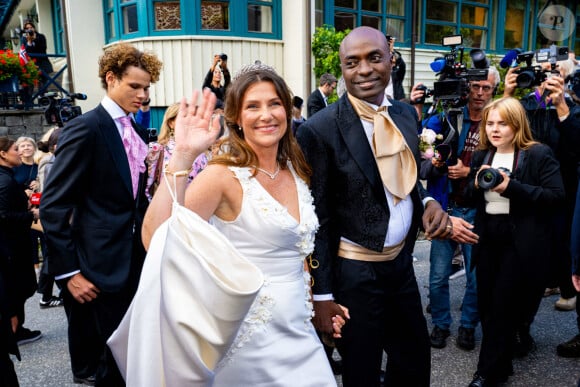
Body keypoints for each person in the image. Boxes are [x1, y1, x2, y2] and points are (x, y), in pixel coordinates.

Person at [110, 64, 346, 385]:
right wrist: (183, 154)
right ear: (235, 116)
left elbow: (297, 249)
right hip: (250, 345)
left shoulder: (296, 168)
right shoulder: (223, 176)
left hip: (300, 331)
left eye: (274, 103)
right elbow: (156, 237)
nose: (266, 114)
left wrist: (318, 299)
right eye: (253, 106)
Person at [296, 26, 467, 387]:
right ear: (341, 69)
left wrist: (430, 202)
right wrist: (322, 295)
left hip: (401, 267)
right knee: (362, 369)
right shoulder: (319, 129)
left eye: (374, 58)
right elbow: (319, 220)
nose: (365, 70)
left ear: (391, 59)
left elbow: (403, 183)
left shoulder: (406, 115)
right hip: (355, 275)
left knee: (414, 362)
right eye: (352, 62)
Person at [40, 42, 162, 386]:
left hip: (136, 264)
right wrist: (69, 273)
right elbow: (53, 207)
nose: (143, 94)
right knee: (108, 367)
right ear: (111, 79)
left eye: (147, 88)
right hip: (97, 270)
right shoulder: (86, 128)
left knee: (134, 361)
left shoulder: (136, 131)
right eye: (135, 86)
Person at [465, 97, 565, 387]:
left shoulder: (538, 154)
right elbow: (475, 199)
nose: (495, 129)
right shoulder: (484, 155)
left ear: (517, 124)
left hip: (518, 241)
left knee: (501, 307)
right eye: (490, 123)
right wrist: (473, 185)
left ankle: (484, 374)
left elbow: (556, 197)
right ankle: (502, 362)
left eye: (502, 123)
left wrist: (511, 186)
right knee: (486, 306)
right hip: (487, 238)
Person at [414, 67, 500, 351]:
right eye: (474, 86)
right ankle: (440, 324)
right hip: (445, 209)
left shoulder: (495, 122)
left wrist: (468, 171)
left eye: (486, 88)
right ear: (465, 87)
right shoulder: (447, 117)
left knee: (475, 277)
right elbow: (423, 153)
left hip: (477, 209)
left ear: (493, 90)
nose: (479, 93)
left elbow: (504, 164)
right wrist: (436, 159)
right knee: (438, 275)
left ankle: (467, 327)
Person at [504, 59, 580, 357]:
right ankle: (514, 326)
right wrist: (509, 95)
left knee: (544, 267)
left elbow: (576, 146)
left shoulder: (570, 108)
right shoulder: (524, 104)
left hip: (561, 201)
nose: (541, 82)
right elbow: (499, 129)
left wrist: (561, 105)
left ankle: (526, 323)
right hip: (521, 195)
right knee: (516, 266)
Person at [0, 137, 42, 348]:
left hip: (14, 245)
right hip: (13, 247)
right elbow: (4, 215)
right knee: (17, 288)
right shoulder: (5, 181)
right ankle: (14, 331)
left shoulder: (6, 178)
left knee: (20, 288)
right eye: (15, 149)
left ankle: (17, 329)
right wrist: (31, 214)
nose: (19, 151)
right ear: (3, 154)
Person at [145, 103, 209, 201]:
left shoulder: (201, 153)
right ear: (171, 123)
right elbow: (146, 190)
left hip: (193, 212)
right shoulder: (156, 150)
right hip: (164, 211)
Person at [35, 128, 64, 309]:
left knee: (53, 255)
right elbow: (48, 192)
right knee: (52, 255)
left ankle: (53, 292)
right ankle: (45, 295)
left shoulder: (59, 159)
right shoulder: (48, 161)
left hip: (59, 215)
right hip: (54, 216)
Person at [20, 21, 53, 100]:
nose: (29, 30)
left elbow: (43, 49)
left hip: (42, 63)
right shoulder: (24, 38)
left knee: (43, 85)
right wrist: (29, 41)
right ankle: (29, 102)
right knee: (29, 85)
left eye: (31, 27)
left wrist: (35, 40)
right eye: (27, 28)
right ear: (25, 30)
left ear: (34, 28)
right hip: (31, 65)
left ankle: (43, 101)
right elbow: (26, 52)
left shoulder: (41, 36)